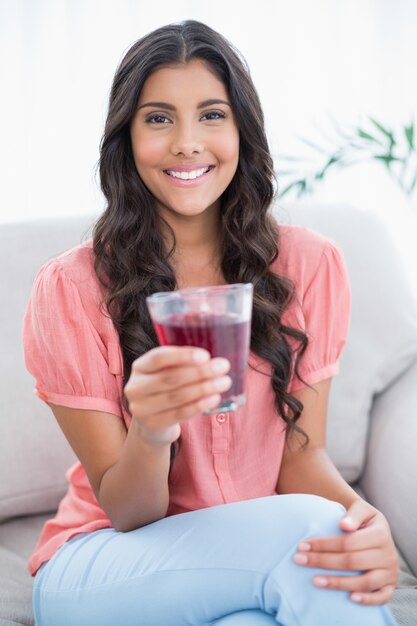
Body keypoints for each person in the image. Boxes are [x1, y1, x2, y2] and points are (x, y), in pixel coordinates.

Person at [23, 19, 399, 626]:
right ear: (127, 138)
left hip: (240, 557)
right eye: (158, 118)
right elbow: (127, 511)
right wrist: (151, 431)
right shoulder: (72, 288)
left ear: (242, 131)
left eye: (212, 115)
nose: (187, 142)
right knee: (312, 537)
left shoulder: (308, 266)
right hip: (104, 562)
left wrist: (365, 521)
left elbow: (301, 459)